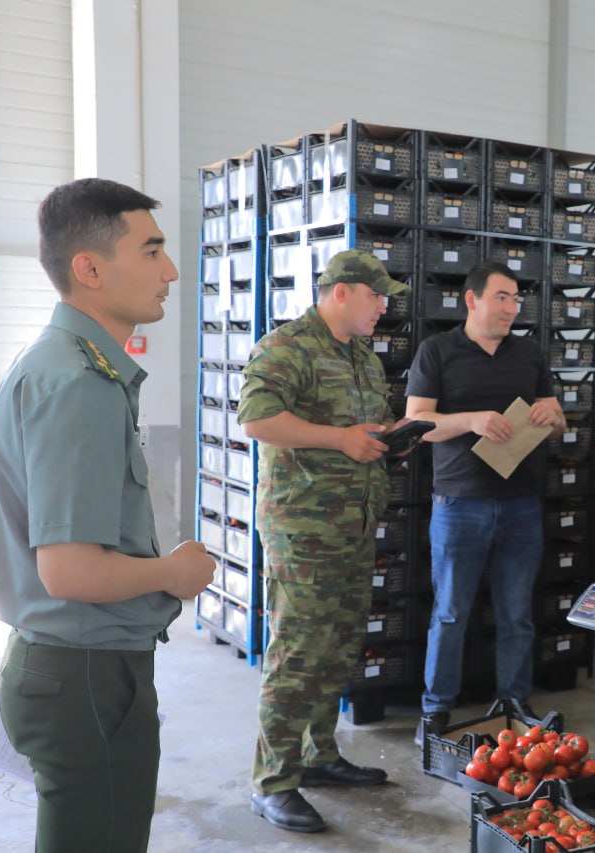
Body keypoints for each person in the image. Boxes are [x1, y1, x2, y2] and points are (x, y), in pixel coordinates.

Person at [0, 177, 217, 851]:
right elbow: (71, 571)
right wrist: (173, 572)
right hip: (83, 671)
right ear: (89, 269)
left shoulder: (66, 366)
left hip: (74, 664)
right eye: (151, 251)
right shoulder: (77, 383)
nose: (171, 272)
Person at [239, 249, 409, 833]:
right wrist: (341, 439)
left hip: (353, 525)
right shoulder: (287, 347)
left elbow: (362, 430)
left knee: (337, 646)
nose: (383, 307)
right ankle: (272, 782)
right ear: (342, 291)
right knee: (298, 652)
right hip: (303, 531)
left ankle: (317, 756)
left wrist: (389, 438)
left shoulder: (362, 355)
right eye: (376, 295)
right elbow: (257, 420)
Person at [405, 261, 566, 739]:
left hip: (521, 503)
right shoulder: (437, 351)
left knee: (517, 614)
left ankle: (514, 700)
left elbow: (557, 422)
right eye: (501, 297)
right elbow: (417, 423)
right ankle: (436, 709)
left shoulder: (529, 355)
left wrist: (553, 417)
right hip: (460, 504)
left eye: (515, 299)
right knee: (450, 612)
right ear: (471, 300)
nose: (511, 308)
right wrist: (471, 420)